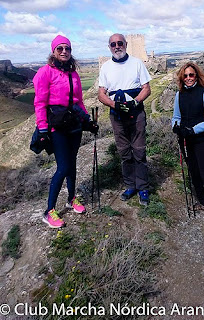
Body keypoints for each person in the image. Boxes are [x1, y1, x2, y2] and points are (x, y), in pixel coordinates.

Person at [33, 34, 98, 228]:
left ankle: (71, 199)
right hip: (57, 126)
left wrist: (88, 121)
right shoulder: (45, 72)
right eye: (59, 48)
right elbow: (40, 102)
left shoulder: (74, 74)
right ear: (53, 51)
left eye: (67, 48)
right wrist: (43, 129)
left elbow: (79, 101)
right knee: (62, 167)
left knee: (72, 164)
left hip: (74, 125)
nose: (64, 51)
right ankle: (49, 211)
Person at [98, 33, 151, 205]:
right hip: (117, 115)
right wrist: (115, 105)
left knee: (139, 150)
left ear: (126, 44)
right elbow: (101, 94)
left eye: (120, 43)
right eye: (113, 44)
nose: (117, 46)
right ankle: (130, 186)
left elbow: (146, 88)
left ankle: (143, 187)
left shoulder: (136, 63)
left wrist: (136, 102)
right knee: (124, 151)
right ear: (109, 47)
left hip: (136, 114)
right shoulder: (105, 67)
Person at [171, 62, 204, 234]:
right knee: (193, 172)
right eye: (185, 75)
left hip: (200, 140)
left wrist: (192, 130)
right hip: (185, 140)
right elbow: (176, 116)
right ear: (181, 78)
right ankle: (201, 202)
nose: (188, 78)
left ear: (197, 76)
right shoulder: (179, 95)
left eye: (191, 75)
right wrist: (175, 126)